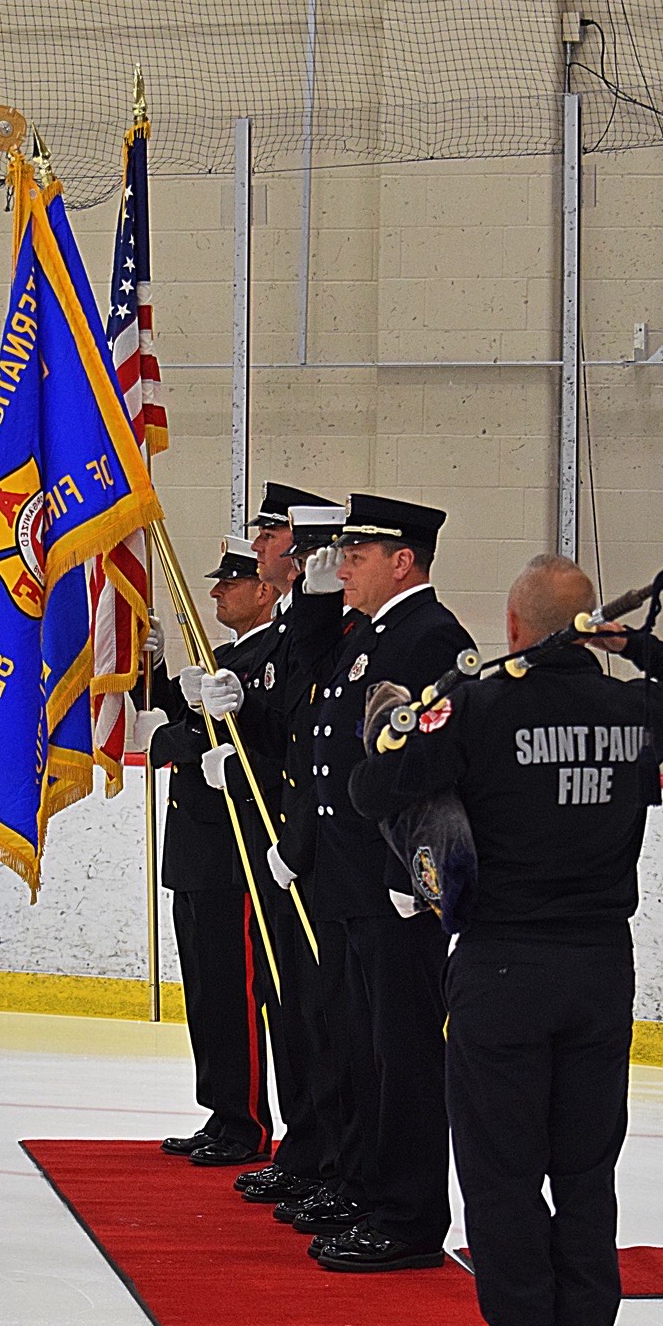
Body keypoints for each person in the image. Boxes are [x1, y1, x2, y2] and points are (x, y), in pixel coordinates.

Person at [349, 553, 663, 1326]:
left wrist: (407, 721)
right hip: (601, 969)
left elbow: (374, 782)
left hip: (502, 970)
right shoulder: (632, 706)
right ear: (590, 630)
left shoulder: (480, 705)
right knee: (584, 1174)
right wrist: (641, 649)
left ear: (515, 626)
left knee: (501, 1174)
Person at [266, 494, 477, 1272]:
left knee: (405, 1052)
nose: (342, 564)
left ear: (403, 560)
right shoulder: (369, 633)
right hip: (347, 875)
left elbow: (437, 766)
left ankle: (410, 1216)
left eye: (356, 556)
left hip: (393, 881)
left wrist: (408, 872)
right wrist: (317, 597)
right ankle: (361, 1186)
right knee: (358, 1043)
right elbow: (310, 677)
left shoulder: (433, 638)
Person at [202, 498, 352, 1210]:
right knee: (291, 1008)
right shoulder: (296, 626)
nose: (258, 542)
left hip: (317, 851)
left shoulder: (327, 628)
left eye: (269, 532)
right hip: (289, 845)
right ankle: (306, 1146)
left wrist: (241, 763)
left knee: (316, 1012)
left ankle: (330, 1157)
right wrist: (241, 710)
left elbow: (320, 742)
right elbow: (288, 729)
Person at [131, 536, 279, 1167]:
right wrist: (155, 675)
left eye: (232, 582)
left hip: (233, 853)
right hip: (194, 846)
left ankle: (247, 1121)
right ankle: (222, 1111)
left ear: (266, 591)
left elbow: (207, 740)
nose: (217, 591)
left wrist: (178, 739)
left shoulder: (273, 658)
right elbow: (167, 728)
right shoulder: (222, 658)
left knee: (236, 991)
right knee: (208, 992)